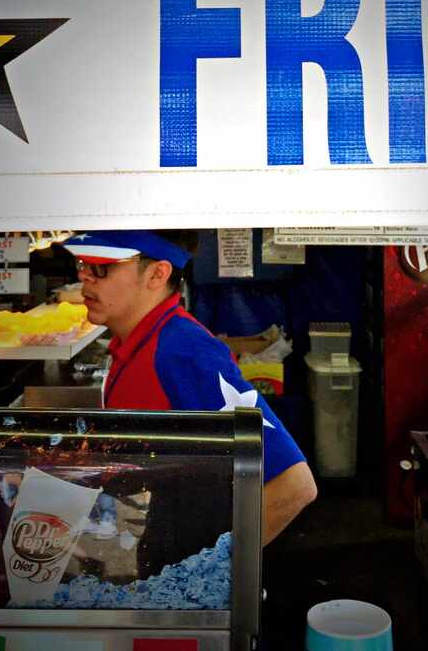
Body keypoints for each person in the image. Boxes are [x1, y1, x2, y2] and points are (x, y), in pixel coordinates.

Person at [62, 228, 318, 547]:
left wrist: (212, 571)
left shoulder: (182, 352)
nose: (86, 277)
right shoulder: (133, 344)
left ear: (158, 273)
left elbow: (294, 485)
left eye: (102, 267)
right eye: (83, 265)